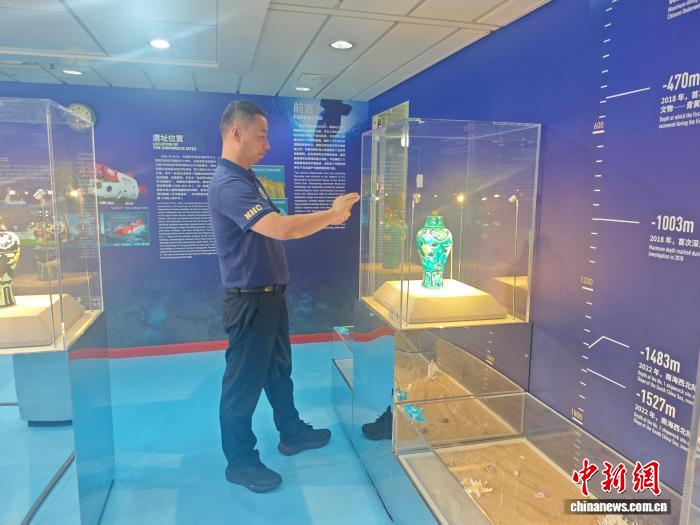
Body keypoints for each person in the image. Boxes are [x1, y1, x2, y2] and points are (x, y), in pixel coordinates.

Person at [207, 100, 360, 493]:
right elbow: (282, 229)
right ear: (236, 133)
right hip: (250, 302)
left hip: (269, 298)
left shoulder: (246, 180)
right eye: (261, 136)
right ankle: (240, 462)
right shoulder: (228, 185)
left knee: (278, 372)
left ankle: (291, 432)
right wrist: (333, 215)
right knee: (242, 385)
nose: (267, 144)